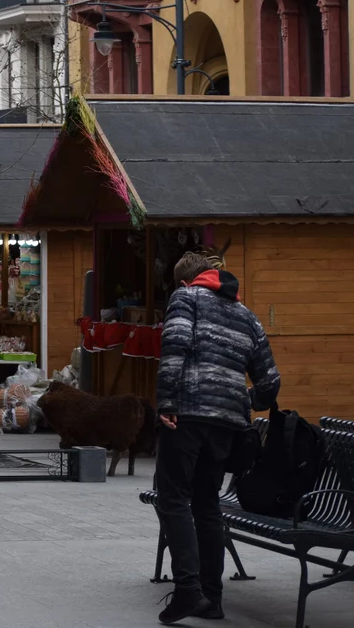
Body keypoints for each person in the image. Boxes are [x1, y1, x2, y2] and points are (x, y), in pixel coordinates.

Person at [154, 252, 281, 625]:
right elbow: (270, 383)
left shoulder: (186, 299)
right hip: (228, 425)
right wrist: (245, 400)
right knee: (207, 504)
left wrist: (166, 402)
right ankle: (213, 598)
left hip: (187, 415)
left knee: (174, 500)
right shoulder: (247, 316)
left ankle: (188, 593)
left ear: (184, 282)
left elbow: (174, 347)